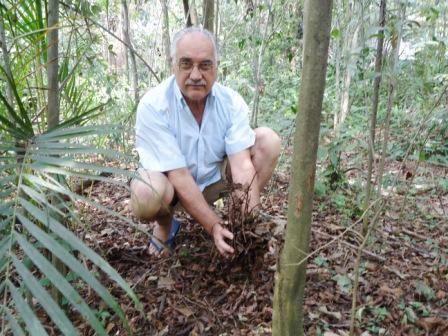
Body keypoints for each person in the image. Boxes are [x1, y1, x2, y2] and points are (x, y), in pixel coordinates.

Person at [131, 27, 281, 258]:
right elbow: (178, 175)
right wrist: (212, 225)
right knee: (145, 193)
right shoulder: (154, 105)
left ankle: (237, 222)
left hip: (215, 182)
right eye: (186, 64)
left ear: (216, 66)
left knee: (268, 141)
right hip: (173, 189)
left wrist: (250, 228)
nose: (195, 74)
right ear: (173, 64)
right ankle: (165, 224)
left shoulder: (231, 103)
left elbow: (242, 166)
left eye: (205, 65)